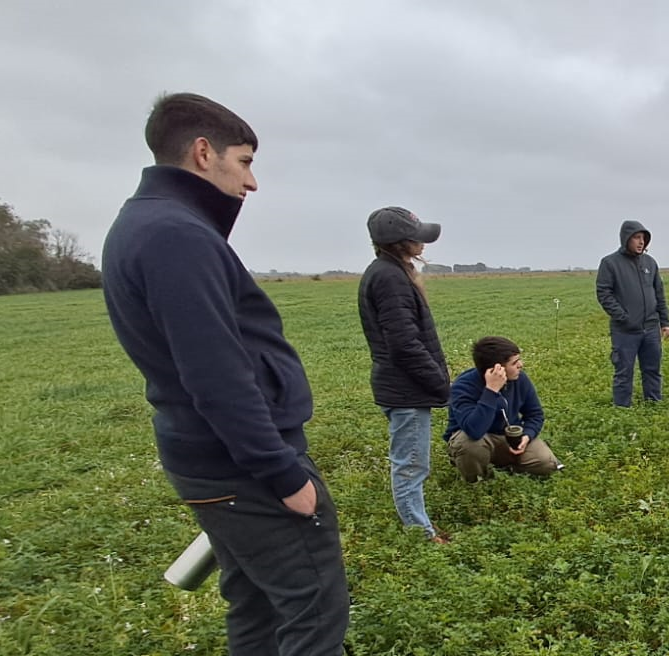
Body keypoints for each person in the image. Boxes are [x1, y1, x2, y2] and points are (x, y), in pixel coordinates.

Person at [101, 93, 348, 655]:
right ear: (203, 152)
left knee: (258, 606)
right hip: (244, 468)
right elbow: (215, 374)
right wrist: (282, 474)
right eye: (245, 162)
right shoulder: (176, 236)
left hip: (213, 463)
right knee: (313, 613)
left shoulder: (146, 224)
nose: (252, 182)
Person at [357, 206, 449, 543]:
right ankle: (421, 536)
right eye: (416, 236)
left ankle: (420, 527)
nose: (423, 243)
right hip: (405, 390)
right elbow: (404, 344)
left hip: (404, 387)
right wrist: (438, 382)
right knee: (410, 466)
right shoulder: (390, 278)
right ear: (399, 242)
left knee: (411, 462)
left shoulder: (390, 271)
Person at [443, 336, 562, 481]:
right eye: (514, 363)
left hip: (508, 437)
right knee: (468, 445)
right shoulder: (463, 387)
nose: (521, 365)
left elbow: (535, 414)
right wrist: (491, 390)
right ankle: (477, 477)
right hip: (479, 439)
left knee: (547, 464)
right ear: (496, 368)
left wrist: (527, 435)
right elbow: (474, 430)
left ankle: (502, 467)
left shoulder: (520, 379)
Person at [596, 220, 669, 406]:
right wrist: (623, 317)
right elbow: (604, 294)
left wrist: (665, 322)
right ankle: (622, 409)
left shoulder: (650, 263)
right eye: (636, 237)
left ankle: (653, 404)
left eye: (643, 238)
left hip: (651, 329)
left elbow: (659, 294)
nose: (641, 242)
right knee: (624, 372)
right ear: (626, 239)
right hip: (625, 331)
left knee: (652, 370)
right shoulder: (610, 263)